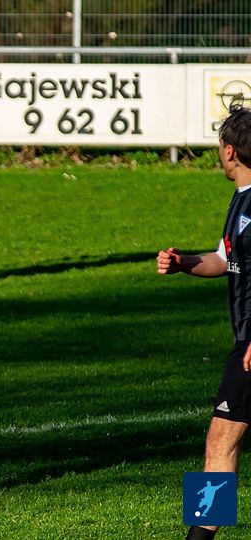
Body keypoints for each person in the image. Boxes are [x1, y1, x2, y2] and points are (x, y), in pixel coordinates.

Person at [156, 104, 251, 540]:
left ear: (229, 151)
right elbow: (225, 258)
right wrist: (185, 263)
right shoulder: (243, 199)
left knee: (220, 440)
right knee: (222, 440)